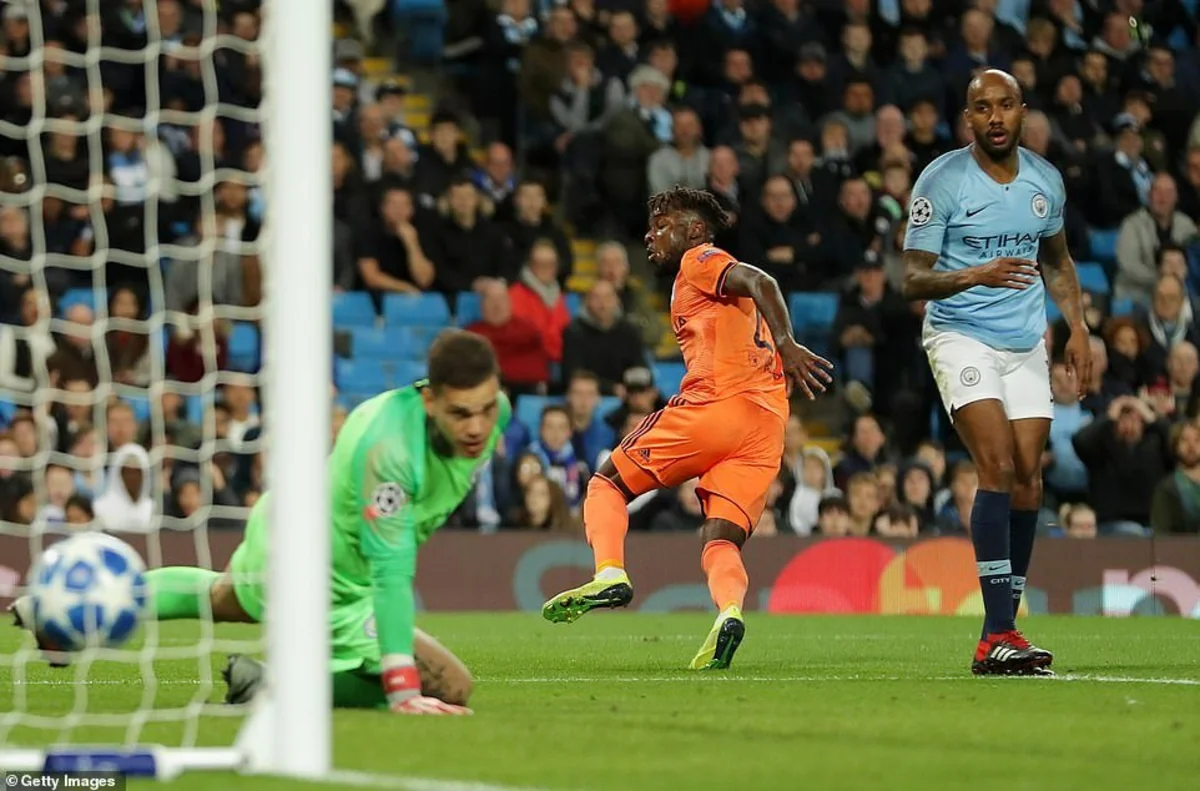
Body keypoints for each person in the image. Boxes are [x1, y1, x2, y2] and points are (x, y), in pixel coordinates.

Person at [13, 330, 510, 715]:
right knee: (449, 687)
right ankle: (271, 685)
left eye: (486, 410)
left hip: (294, 527)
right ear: (429, 400)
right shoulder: (391, 454)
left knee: (222, 598)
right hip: (318, 572)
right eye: (460, 413)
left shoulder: (495, 415)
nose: (477, 427)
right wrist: (402, 688)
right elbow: (391, 575)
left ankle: (63, 611)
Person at [541, 186, 832, 670]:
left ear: (695, 230)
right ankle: (729, 612)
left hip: (718, 406)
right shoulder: (707, 283)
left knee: (605, 485)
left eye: (662, 225)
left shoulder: (700, 259)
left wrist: (787, 343)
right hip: (766, 425)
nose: (650, 235)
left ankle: (610, 573)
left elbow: (760, 279)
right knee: (721, 538)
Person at [901, 70, 1092, 676]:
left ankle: (996, 634)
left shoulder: (1045, 180)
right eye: (982, 107)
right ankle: (1002, 631)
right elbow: (911, 279)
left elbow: (1057, 261)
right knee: (998, 466)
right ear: (969, 119)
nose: (996, 117)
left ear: (1022, 110)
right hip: (960, 336)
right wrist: (974, 275)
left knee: (1030, 478)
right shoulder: (942, 181)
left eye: (1005, 105)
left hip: (1024, 341)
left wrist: (1078, 326)